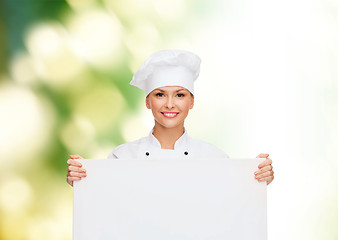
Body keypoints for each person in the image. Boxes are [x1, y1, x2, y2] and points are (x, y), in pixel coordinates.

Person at [66, 49, 274, 187]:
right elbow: (103, 202)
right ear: (148, 102)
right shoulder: (122, 157)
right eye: (160, 94)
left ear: (192, 102)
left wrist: (257, 177)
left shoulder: (214, 158)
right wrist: (82, 178)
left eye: (180, 95)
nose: (170, 104)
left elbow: (234, 202)